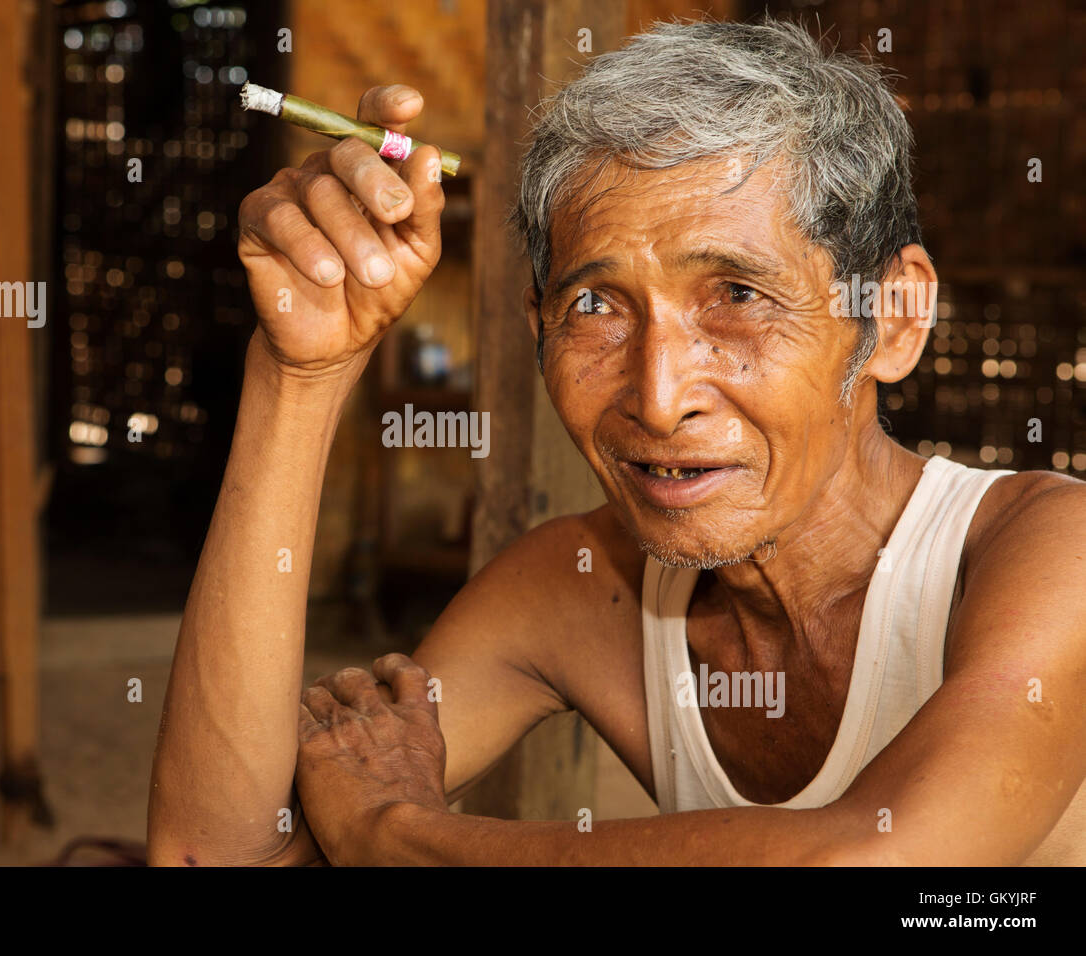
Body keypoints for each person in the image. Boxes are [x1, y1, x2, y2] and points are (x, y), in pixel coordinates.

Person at [147, 19, 1086, 865]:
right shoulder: (579, 586)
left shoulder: (1046, 552)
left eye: (738, 297)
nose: (658, 395)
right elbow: (214, 857)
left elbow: (873, 865)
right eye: (594, 305)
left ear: (892, 318)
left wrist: (398, 837)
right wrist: (298, 376)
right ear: (536, 325)